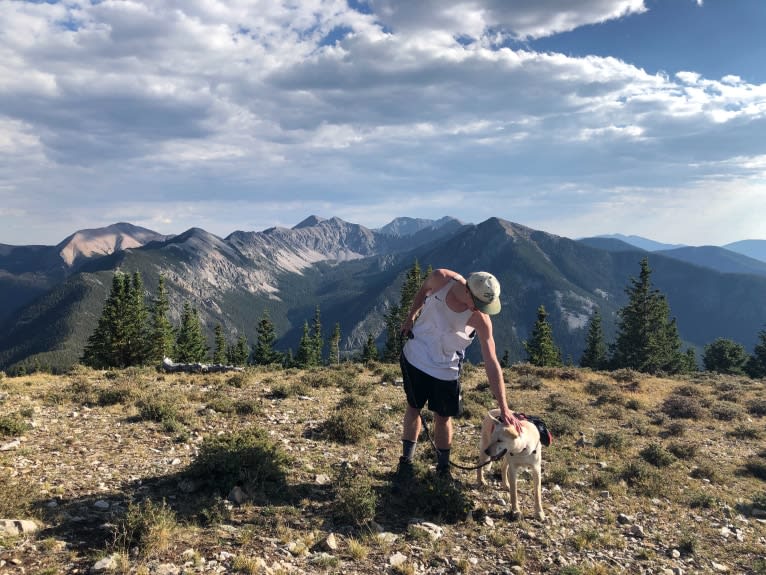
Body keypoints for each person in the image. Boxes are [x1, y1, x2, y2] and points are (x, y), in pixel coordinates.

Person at [396, 268, 523, 480]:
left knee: (443, 417)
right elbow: (421, 292)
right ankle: (406, 464)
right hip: (415, 358)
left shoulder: (480, 320)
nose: (480, 310)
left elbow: (491, 361)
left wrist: (504, 407)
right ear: (467, 290)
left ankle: (443, 469)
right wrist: (410, 317)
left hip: (446, 370)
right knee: (413, 408)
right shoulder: (441, 279)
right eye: (479, 304)